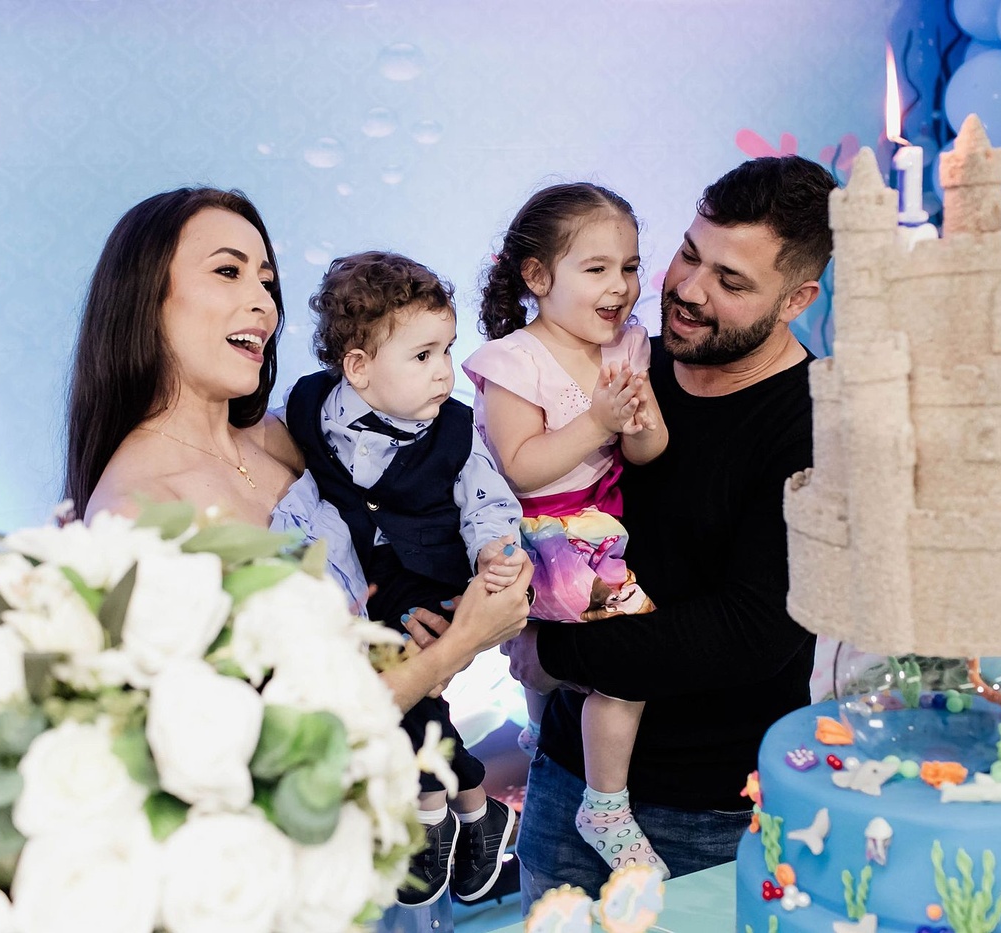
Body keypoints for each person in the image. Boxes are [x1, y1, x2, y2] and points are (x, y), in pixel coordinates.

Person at [62, 185, 533, 731]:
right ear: (144, 296)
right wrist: (461, 644)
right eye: (228, 272)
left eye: (266, 281)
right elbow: (254, 740)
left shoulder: (286, 434)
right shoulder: (135, 514)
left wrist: (457, 602)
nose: (264, 303)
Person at [501, 156, 837, 908]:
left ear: (797, 299)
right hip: (565, 776)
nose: (688, 288)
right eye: (689, 253)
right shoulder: (620, 363)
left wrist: (552, 653)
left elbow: (752, 630)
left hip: (708, 814)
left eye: (730, 281)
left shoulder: (818, 425)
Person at [277, 251, 525, 908]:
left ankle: (432, 811)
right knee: (389, 689)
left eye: (447, 349)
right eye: (423, 355)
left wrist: (494, 553)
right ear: (358, 367)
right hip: (370, 578)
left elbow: (488, 502)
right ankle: (477, 809)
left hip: (434, 574)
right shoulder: (307, 406)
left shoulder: (455, 430)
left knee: (403, 683)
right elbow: (304, 493)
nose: (445, 370)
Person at [461, 183, 670, 877]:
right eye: (597, 268)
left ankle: (538, 728)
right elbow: (520, 466)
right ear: (538, 275)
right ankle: (604, 805)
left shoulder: (626, 345)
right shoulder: (515, 360)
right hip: (541, 532)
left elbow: (647, 450)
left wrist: (638, 420)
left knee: (573, 665)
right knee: (629, 662)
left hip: (601, 524)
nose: (621, 286)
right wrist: (597, 420)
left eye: (630, 267)